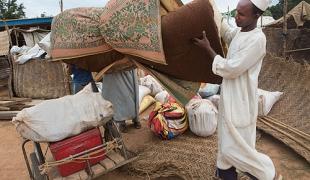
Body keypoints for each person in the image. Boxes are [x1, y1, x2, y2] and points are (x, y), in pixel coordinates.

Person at [193, 0, 281, 179]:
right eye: (236, 12)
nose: (236, 17)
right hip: (230, 99)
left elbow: (232, 68)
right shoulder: (241, 33)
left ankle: (268, 175)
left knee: (236, 151)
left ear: (256, 16)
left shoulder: (257, 39)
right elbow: (226, 32)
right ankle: (226, 173)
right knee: (227, 152)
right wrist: (212, 9)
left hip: (241, 102)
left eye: (241, 14)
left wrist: (208, 49)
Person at [101, 68, 141, 133]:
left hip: (127, 66)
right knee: (116, 96)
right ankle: (121, 122)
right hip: (111, 68)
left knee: (131, 94)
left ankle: (136, 119)